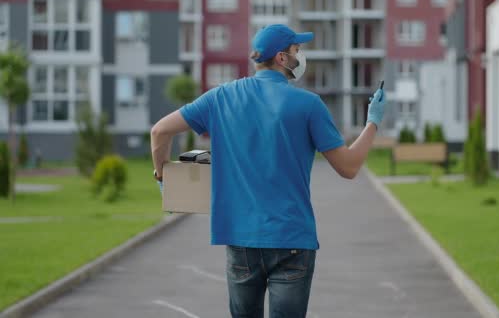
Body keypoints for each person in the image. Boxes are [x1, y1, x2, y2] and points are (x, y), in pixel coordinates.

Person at [150, 24, 386, 318]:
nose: (301, 56)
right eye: (297, 50)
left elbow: (160, 132)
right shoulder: (309, 104)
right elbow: (349, 167)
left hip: (240, 240)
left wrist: (164, 177)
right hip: (292, 241)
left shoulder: (220, 98)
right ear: (282, 58)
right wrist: (372, 122)